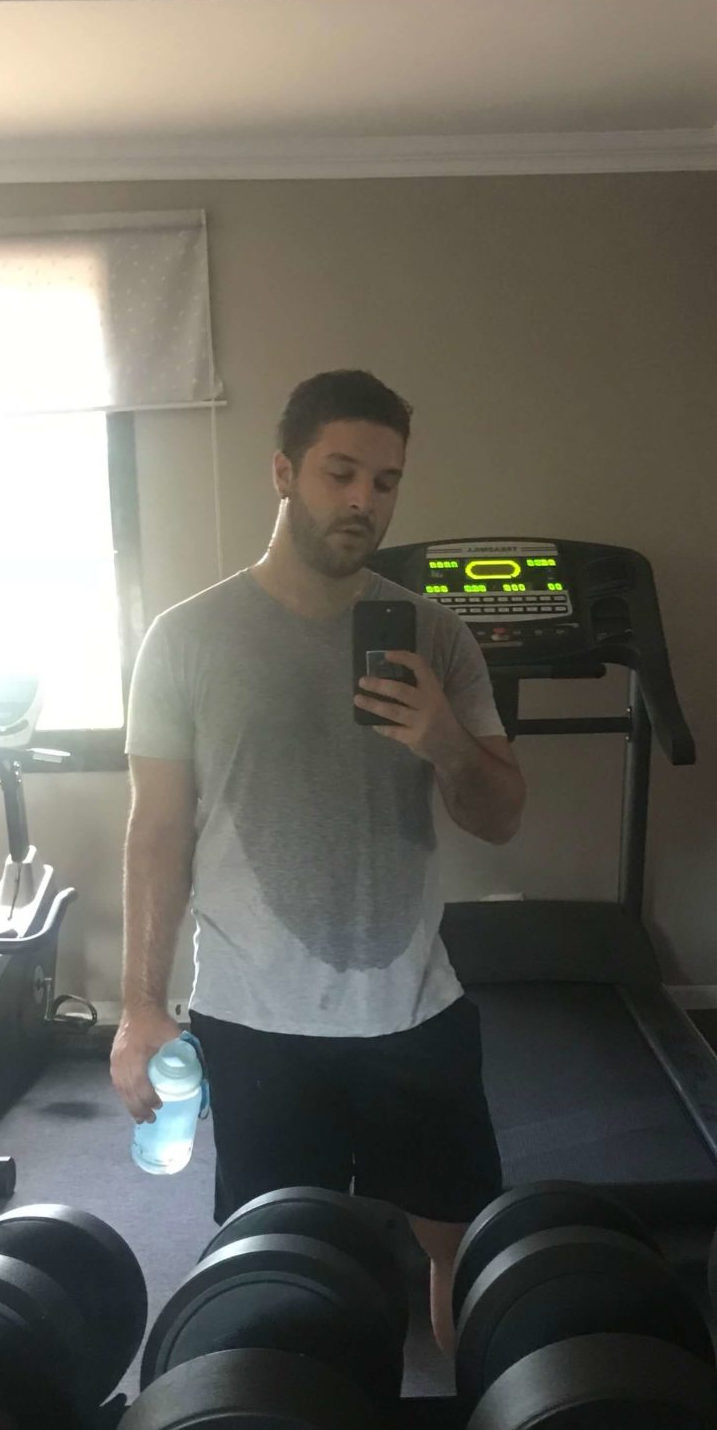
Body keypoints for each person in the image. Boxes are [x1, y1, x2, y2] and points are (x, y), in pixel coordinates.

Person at [111, 369, 526, 1352]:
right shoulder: (185, 638)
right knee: (278, 1261)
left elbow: (501, 815)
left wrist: (446, 741)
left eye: (385, 481)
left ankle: (484, 1428)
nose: (363, 500)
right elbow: (157, 832)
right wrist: (139, 1005)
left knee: (460, 1246)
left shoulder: (436, 635)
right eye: (341, 473)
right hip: (257, 1018)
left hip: (412, 1008)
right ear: (284, 471)